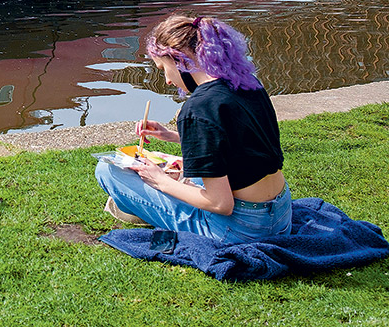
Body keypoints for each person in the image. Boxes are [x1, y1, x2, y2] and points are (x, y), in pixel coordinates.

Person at [95, 15, 291, 243]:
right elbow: (239, 144)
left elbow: (221, 204)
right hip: (280, 215)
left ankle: (143, 204)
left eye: (163, 68)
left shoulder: (197, 108)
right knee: (185, 166)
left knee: (107, 170)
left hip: (241, 230)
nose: (167, 80)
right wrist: (172, 136)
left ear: (179, 59)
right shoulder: (247, 84)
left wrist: (161, 181)